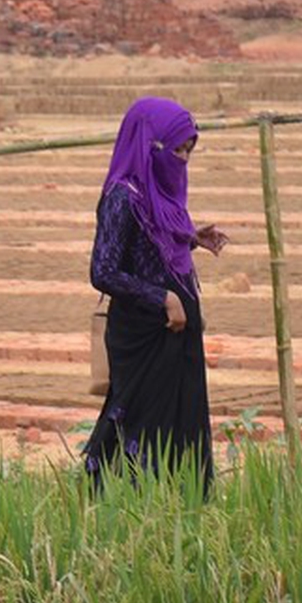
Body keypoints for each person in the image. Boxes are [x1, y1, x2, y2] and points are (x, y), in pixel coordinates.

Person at [84, 98, 229, 492]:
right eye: (176, 149)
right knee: (141, 426)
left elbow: (151, 247)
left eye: (188, 151)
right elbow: (104, 271)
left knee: (181, 423)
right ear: (149, 145)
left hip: (177, 334)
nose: (182, 159)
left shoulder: (159, 194)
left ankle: (182, 506)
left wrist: (191, 238)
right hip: (144, 333)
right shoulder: (122, 197)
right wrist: (163, 297)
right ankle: (119, 509)